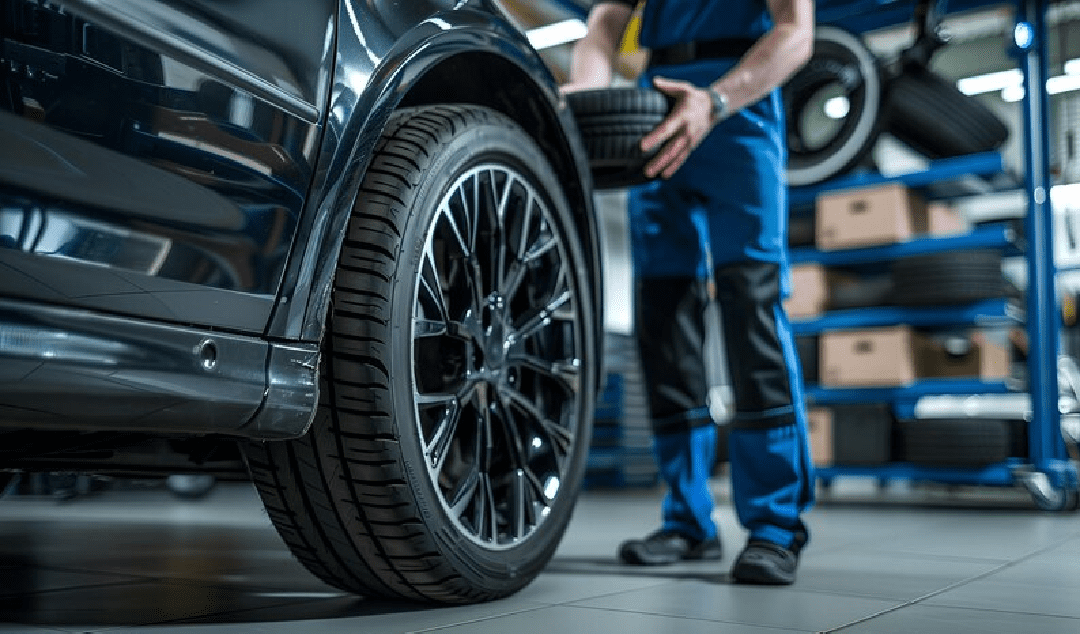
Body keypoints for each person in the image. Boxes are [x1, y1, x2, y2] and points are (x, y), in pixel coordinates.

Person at [565, 0, 816, 584]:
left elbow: (795, 32)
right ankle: (687, 519)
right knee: (665, 323)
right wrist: (589, 90)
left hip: (740, 110)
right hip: (655, 115)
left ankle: (775, 525)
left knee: (751, 313)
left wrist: (718, 100)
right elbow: (605, 21)